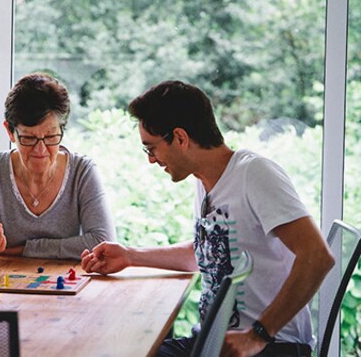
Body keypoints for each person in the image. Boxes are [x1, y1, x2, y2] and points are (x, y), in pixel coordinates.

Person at [80, 80, 334, 356]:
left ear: (180, 137)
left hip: (271, 347)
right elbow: (205, 254)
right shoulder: (204, 181)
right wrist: (130, 256)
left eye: (151, 148)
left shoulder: (255, 174)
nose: (151, 160)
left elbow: (318, 256)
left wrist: (258, 334)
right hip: (216, 342)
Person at [0, 72, 116, 259]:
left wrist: (26, 249)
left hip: (64, 283)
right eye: (28, 138)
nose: (40, 150)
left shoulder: (82, 172)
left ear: (62, 129)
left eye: (51, 137)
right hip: (0, 282)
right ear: (10, 132)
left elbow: (103, 242)